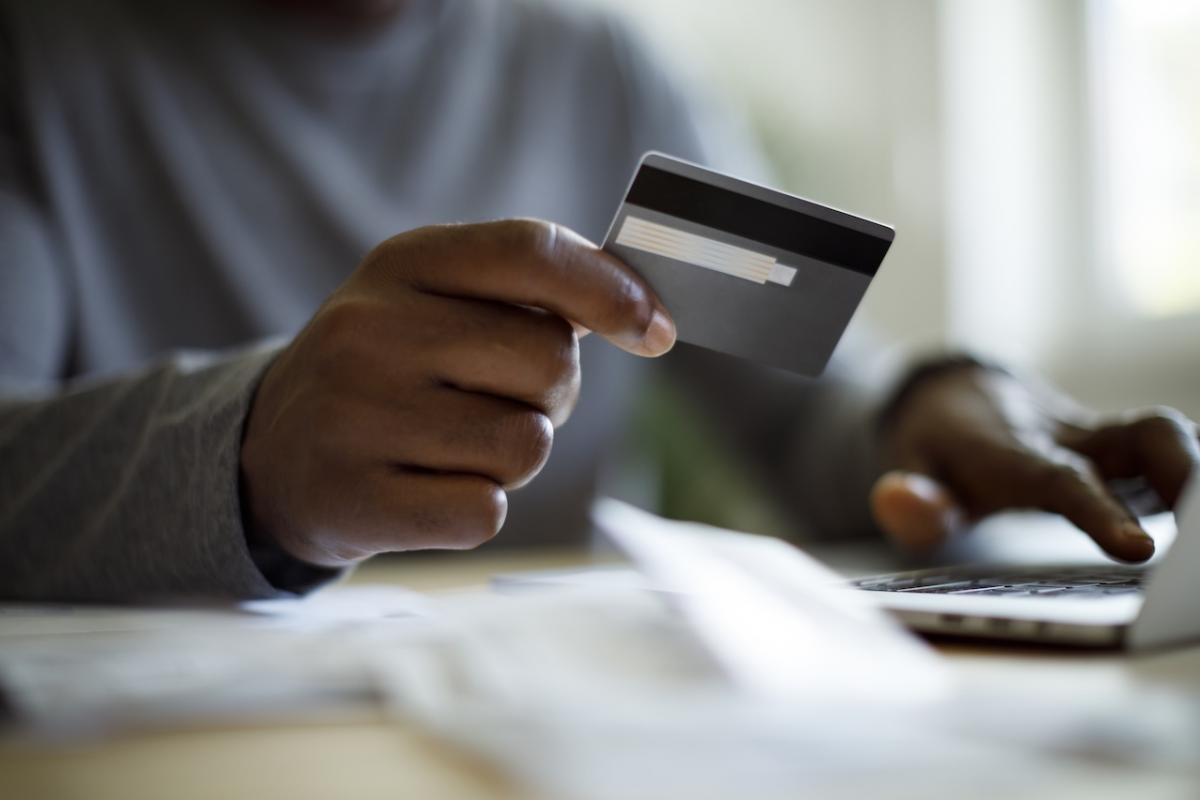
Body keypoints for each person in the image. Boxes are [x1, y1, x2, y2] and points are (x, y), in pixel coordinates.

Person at [0, 0, 1196, 602]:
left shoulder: (594, 66)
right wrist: (249, 448)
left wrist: (924, 408)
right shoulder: (38, 59)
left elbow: (798, 397)